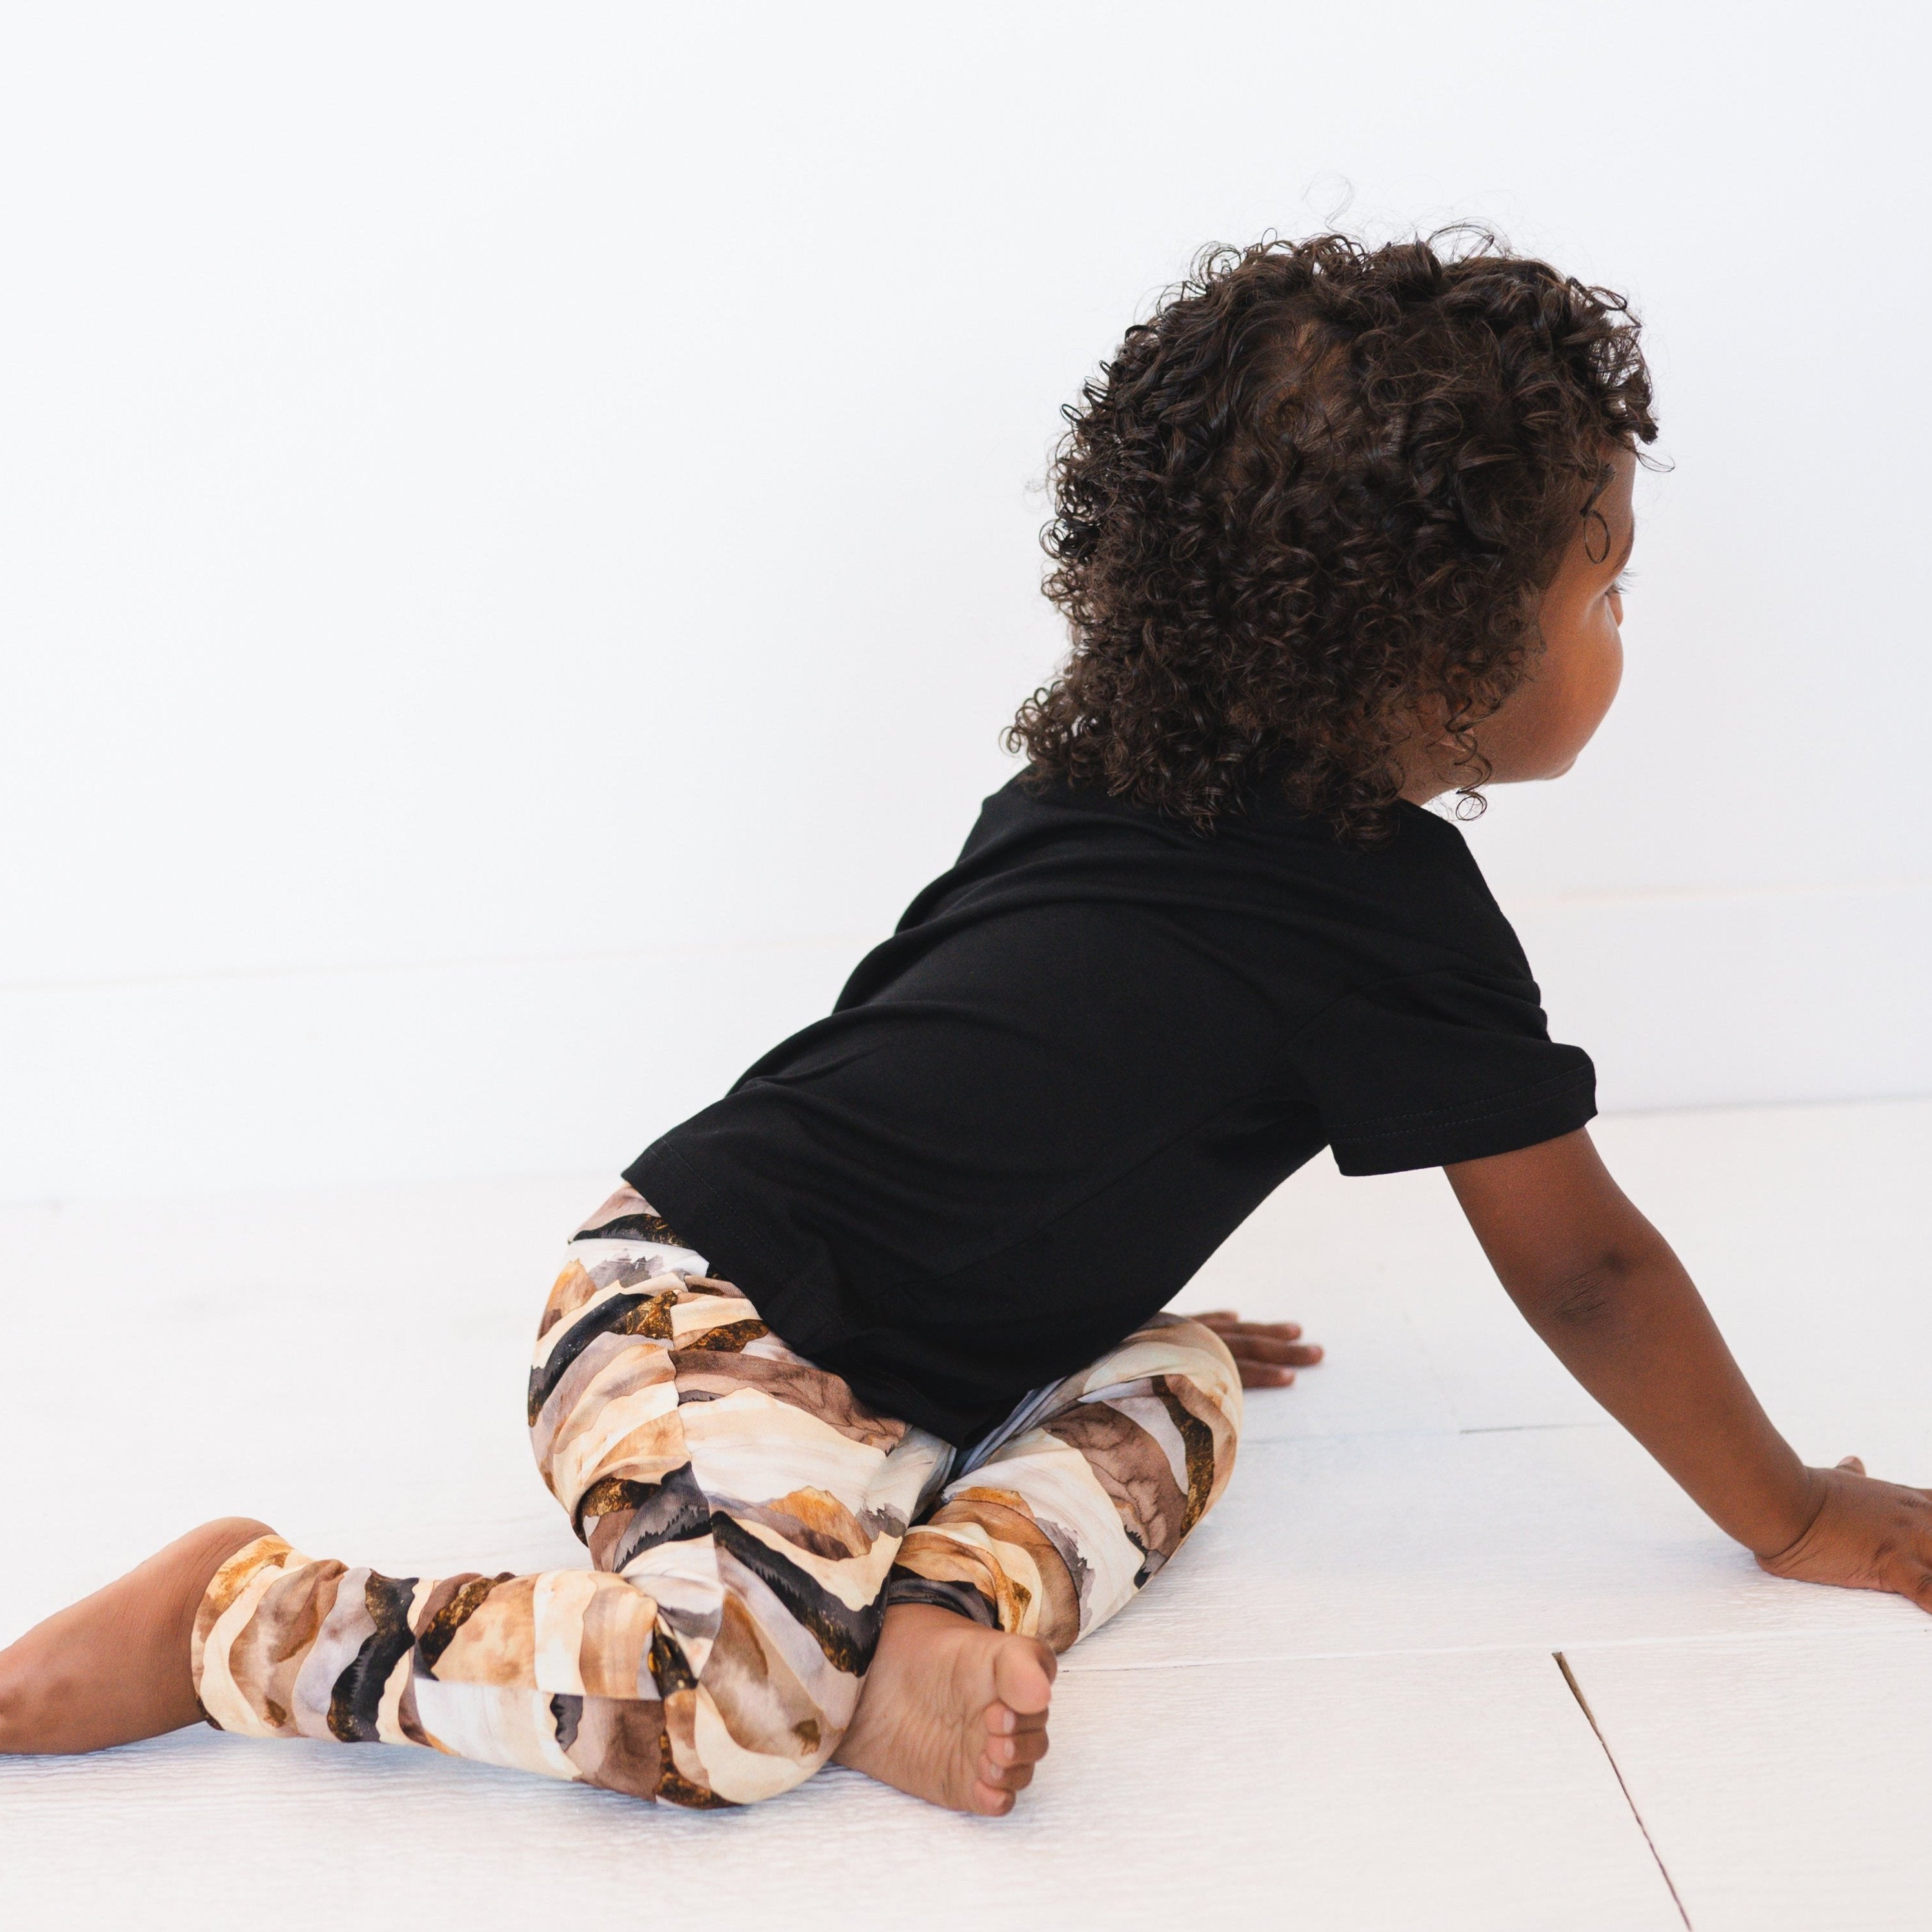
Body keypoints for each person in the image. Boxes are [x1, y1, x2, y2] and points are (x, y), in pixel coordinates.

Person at [6, 232, 1928, 1818]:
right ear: (1437, 651)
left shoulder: (1119, 758)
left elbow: (998, 1076)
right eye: (1604, 589)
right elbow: (1585, 1270)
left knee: (1179, 1390)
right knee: (728, 1705)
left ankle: (927, 1619)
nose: (1621, 631)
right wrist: (1790, 1512)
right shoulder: (1391, 917)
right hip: (699, 1314)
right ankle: (241, 1624)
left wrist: (1076, 1297)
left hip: (932, 1362)